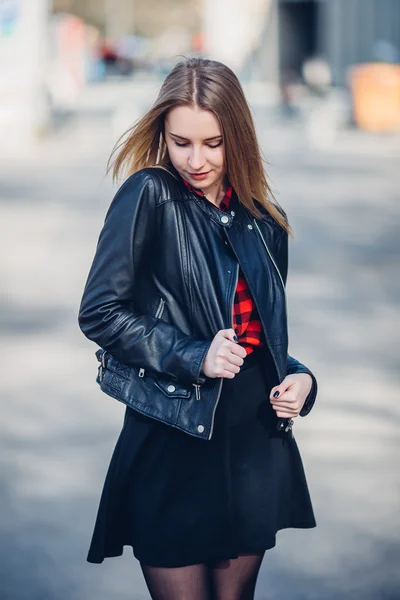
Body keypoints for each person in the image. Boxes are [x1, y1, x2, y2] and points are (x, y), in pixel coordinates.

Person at [78, 57, 318, 600]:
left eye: (213, 143)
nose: (196, 159)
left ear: (238, 135)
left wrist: (302, 379)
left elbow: (260, 338)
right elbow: (99, 311)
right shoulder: (148, 195)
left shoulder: (265, 220)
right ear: (162, 133)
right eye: (181, 142)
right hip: (173, 430)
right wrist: (192, 355)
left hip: (254, 436)